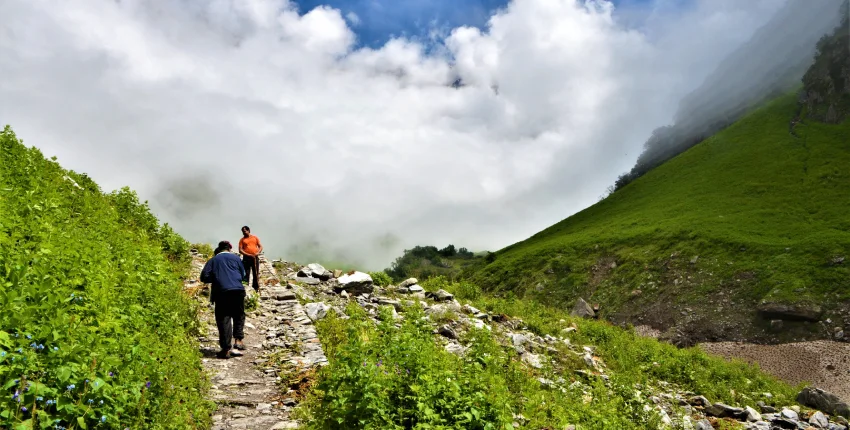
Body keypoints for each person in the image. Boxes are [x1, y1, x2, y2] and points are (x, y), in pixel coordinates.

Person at [200, 241, 247, 359]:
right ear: (230, 249)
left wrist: (217, 278)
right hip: (237, 290)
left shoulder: (213, 260)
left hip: (221, 292)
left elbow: (204, 276)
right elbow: (243, 275)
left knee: (224, 318)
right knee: (239, 315)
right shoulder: (236, 259)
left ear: (218, 250)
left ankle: (226, 349)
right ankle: (238, 340)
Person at [238, 226, 263, 292]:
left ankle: (255, 288)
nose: (243, 233)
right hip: (246, 258)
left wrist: (257, 253)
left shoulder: (255, 238)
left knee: (256, 273)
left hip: (255, 257)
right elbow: (240, 250)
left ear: (248, 230)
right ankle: (246, 288)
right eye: (243, 232)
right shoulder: (242, 240)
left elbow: (260, 246)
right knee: (246, 273)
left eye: (245, 231)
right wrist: (248, 255)